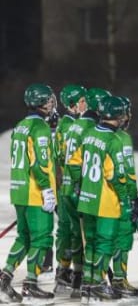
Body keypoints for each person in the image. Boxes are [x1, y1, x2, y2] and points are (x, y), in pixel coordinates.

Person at [67, 96, 130, 304]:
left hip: (87, 199)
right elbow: (116, 176)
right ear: (119, 116)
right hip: (106, 203)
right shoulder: (114, 141)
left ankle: (87, 284)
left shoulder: (90, 134)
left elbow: (73, 163)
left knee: (91, 244)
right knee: (105, 245)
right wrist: (125, 199)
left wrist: (80, 183)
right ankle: (98, 285)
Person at [0, 84, 57, 304]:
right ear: (41, 102)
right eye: (49, 101)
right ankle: (32, 285)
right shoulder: (39, 128)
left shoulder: (21, 125)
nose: (52, 104)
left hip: (19, 191)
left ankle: (5, 278)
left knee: (24, 237)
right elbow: (39, 163)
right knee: (41, 238)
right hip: (35, 192)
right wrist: (47, 189)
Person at [61, 87, 110, 297]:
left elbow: (60, 155)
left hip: (67, 188)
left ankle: (77, 279)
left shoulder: (73, 126)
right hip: (82, 189)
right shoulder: (92, 129)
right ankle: (90, 284)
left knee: (75, 236)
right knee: (91, 237)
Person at [54, 84, 87, 292]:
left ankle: (74, 271)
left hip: (72, 186)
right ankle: (67, 271)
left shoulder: (74, 123)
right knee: (68, 231)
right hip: (69, 187)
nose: (86, 104)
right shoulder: (67, 125)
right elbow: (58, 160)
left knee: (72, 231)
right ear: (73, 105)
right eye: (82, 100)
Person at [111, 96, 138, 298]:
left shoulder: (94, 133)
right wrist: (133, 198)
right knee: (122, 239)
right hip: (117, 198)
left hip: (94, 198)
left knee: (99, 241)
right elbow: (127, 174)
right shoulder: (122, 138)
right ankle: (119, 280)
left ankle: (90, 283)